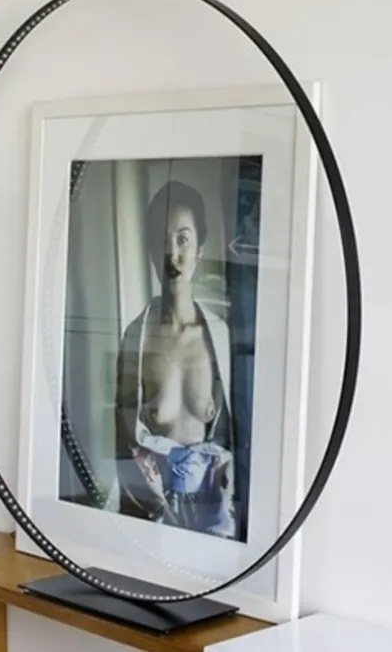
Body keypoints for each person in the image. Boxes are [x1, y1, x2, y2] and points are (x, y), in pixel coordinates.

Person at [113, 179, 238, 540]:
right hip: (153, 517)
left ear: (201, 247)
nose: (172, 255)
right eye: (161, 241)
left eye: (183, 239)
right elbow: (121, 444)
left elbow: (241, 439)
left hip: (216, 519)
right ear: (150, 251)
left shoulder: (221, 339)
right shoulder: (136, 340)